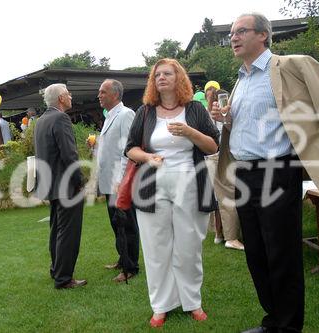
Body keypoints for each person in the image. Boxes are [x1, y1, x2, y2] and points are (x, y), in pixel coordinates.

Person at [212, 13, 319, 333]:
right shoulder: (241, 82)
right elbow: (244, 128)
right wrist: (224, 119)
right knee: (256, 253)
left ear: (263, 35)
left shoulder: (289, 67)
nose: (233, 37)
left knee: (282, 254)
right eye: (231, 33)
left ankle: (288, 326)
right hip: (244, 174)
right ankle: (273, 320)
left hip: (277, 170)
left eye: (240, 31)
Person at [125, 58, 219, 327]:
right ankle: (161, 305)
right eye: (157, 75)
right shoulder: (145, 112)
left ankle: (193, 302)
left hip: (190, 184)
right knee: (156, 248)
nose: (161, 78)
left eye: (167, 73)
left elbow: (213, 146)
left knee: (188, 248)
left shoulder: (195, 109)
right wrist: (147, 157)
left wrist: (190, 132)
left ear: (179, 78)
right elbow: (130, 148)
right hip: (152, 186)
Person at [34, 83, 86, 289]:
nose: (71, 97)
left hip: (51, 184)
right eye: (69, 94)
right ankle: (64, 278)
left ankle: (57, 270)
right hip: (65, 186)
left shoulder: (41, 121)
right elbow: (69, 155)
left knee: (57, 229)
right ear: (62, 98)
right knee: (68, 232)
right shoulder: (60, 118)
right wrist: (79, 181)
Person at [88, 79, 139, 282]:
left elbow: (128, 150)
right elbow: (108, 149)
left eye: (103, 92)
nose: (99, 95)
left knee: (127, 225)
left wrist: (121, 181)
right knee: (116, 223)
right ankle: (122, 258)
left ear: (115, 95)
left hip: (121, 182)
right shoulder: (109, 116)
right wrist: (94, 148)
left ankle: (131, 267)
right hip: (109, 181)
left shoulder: (126, 114)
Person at [205, 88, 244, 250]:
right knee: (228, 198)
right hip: (220, 158)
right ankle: (231, 237)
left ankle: (218, 234)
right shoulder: (220, 114)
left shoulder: (208, 114)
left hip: (209, 159)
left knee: (218, 199)